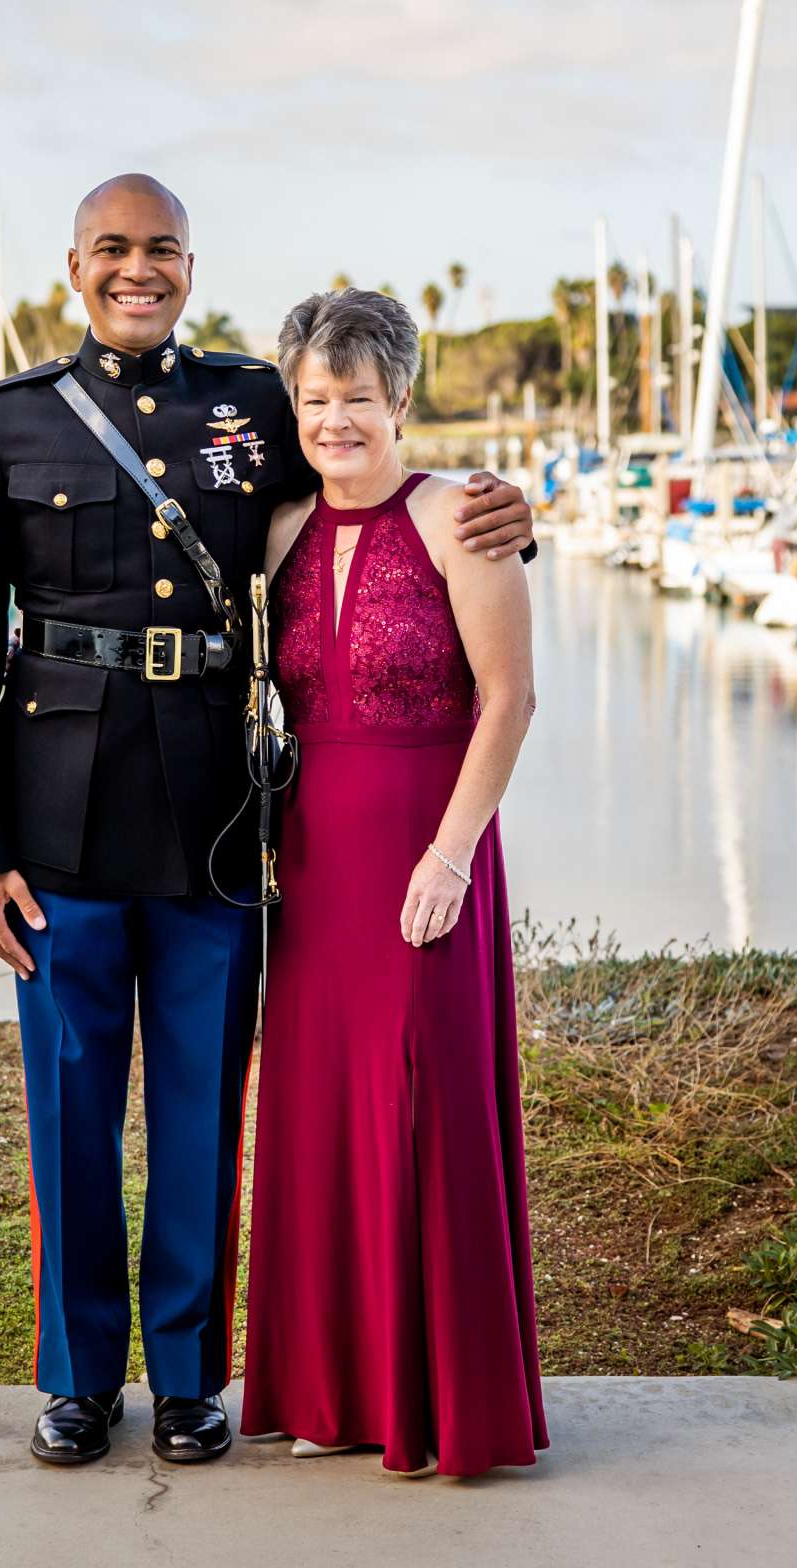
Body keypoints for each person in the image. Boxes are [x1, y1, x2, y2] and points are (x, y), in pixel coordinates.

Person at [0, 174, 535, 1469]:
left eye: (160, 251)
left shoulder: (251, 403)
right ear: (73, 265)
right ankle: (80, 1378)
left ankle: (194, 1377)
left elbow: (368, 473)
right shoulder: (3, 426)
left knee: (204, 1107)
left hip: (214, 819)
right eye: (111, 249)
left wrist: (513, 515)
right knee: (71, 1107)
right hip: (61, 824)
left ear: (192, 267)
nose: (135, 270)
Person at [240, 288, 545, 1478]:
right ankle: (337, 1391)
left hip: (430, 853)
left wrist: (451, 851)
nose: (334, 422)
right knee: (320, 1114)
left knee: (423, 1109)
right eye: (313, 401)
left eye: (356, 398)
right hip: (311, 864)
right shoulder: (274, 534)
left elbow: (511, 700)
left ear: (401, 399)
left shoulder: (462, 517)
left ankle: (442, 1400)